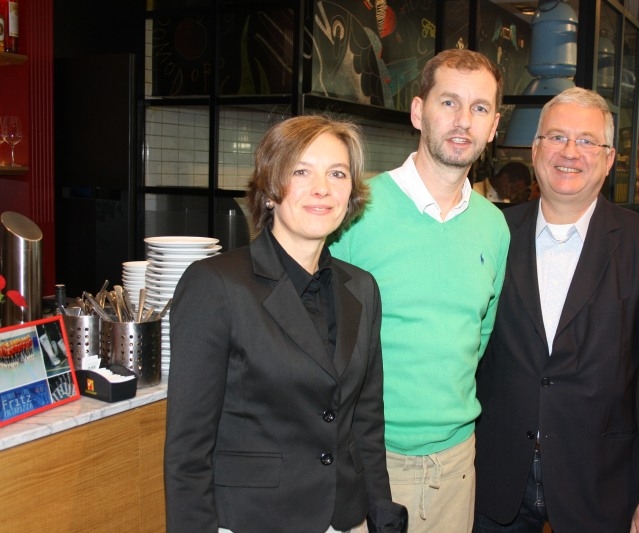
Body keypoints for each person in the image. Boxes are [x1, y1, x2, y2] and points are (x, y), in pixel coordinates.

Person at [164, 115, 406, 533]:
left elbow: (366, 423)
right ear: (270, 190)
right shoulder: (216, 285)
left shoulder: (362, 288)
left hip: (343, 517)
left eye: (337, 173)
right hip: (252, 519)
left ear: (351, 194)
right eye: (301, 171)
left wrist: (378, 513)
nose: (322, 188)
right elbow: (188, 447)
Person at [473, 87, 639, 532]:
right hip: (495, 480)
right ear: (535, 150)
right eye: (556, 137)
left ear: (609, 159)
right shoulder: (492, 232)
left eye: (587, 141)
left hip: (601, 483)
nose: (569, 152)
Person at [329, 49, 510, 533]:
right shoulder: (356, 208)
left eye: (479, 108)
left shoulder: (495, 227)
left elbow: (478, 337)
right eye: (448, 102)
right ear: (417, 111)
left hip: (457, 463)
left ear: (494, 126)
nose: (462, 121)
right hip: (367, 458)